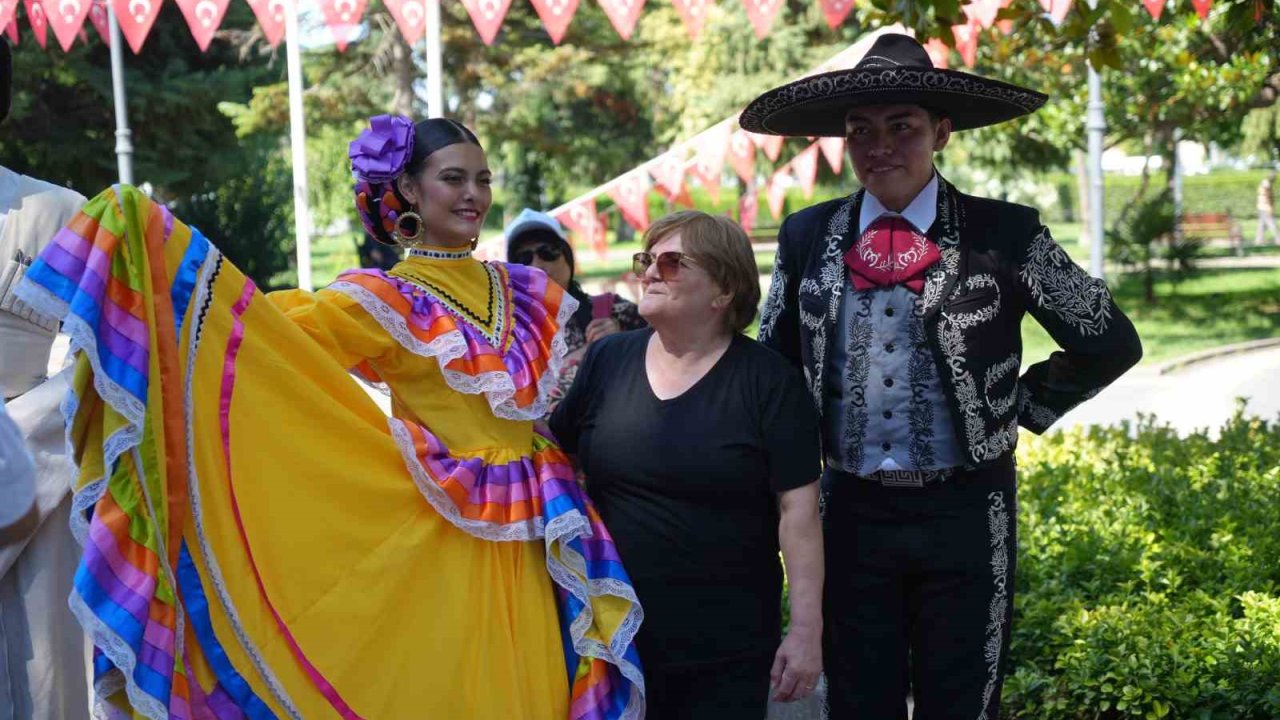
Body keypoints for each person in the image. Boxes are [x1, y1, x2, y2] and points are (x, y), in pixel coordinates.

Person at [15, 115, 643, 719]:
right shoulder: (386, 297)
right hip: (449, 533)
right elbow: (262, 345)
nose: (473, 194)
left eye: (482, 179)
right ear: (407, 191)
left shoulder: (527, 290)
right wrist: (163, 282)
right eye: (453, 178)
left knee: (539, 684)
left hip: (542, 524)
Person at [740, 33, 1143, 719]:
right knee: (857, 699)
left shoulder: (1004, 233)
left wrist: (1014, 406)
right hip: (849, 512)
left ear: (943, 132)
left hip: (968, 511)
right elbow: (772, 366)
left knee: (961, 700)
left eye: (903, 127)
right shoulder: (806, 236)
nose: (880, 148)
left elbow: (1110, 341)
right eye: (860, 132)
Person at [550, 211, 823, 719]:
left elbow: (799, 514)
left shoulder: (770, 382)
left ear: (723, 290)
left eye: (672, 263)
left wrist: (806, 631)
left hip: (725, 646)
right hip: (611, 633)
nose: (650, 271)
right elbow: (549, 457)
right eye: (646, 259)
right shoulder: (608, 359)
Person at [0, 35, 92, 720]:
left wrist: (15, 449)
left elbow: (96, 363)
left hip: (40, 496)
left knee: (43, 680)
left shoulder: (61, 213)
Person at [504, 208, 645, 412]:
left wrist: (623, 343)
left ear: (567, 257)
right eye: (523, 258)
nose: (538, 265)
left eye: (547, 251)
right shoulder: (507, 335)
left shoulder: (615, 311)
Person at [1256, 169, 1277, 246]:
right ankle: (1278, 239)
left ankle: (1259, 240)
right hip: (1265, 207)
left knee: (1262, 224)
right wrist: (1269, 207)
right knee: (1272, 223)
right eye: (1274, 177)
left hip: (1262, 207)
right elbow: (1267, 195)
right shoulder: (1266, 183)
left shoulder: (1266, 183)